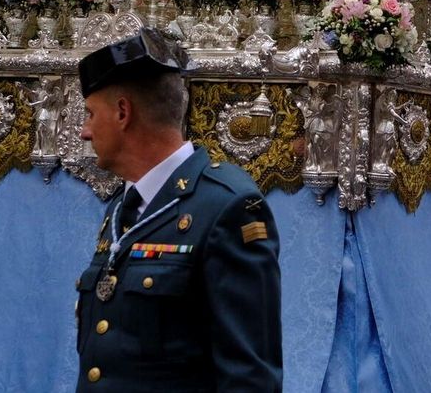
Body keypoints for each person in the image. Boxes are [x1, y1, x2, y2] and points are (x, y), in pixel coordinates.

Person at [78, 30, 282, 392]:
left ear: (123, 112)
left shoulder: (226, 206)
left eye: (91, 114)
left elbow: (249, 379)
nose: (85, 131)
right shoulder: (125, 208)